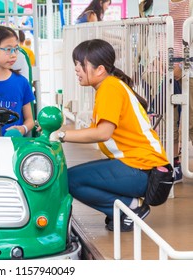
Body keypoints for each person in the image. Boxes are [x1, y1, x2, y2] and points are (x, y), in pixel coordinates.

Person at [50, 39, 170, 232]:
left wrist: (61, 135)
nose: (77, 69)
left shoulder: (110, 88)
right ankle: (122, 208)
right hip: (142, 166)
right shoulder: (110, 86)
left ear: (100, 69)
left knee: (70, 179)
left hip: (142, 169)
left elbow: (103, 133)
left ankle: (130, 207)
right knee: (74, 176)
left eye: (81, 64)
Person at [168, 0, 191, 183]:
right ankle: (174, 164)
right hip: (164, 68)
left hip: (187, 70)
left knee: (190, 122)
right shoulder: (152, 4)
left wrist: (182, 67)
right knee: (170, 119)